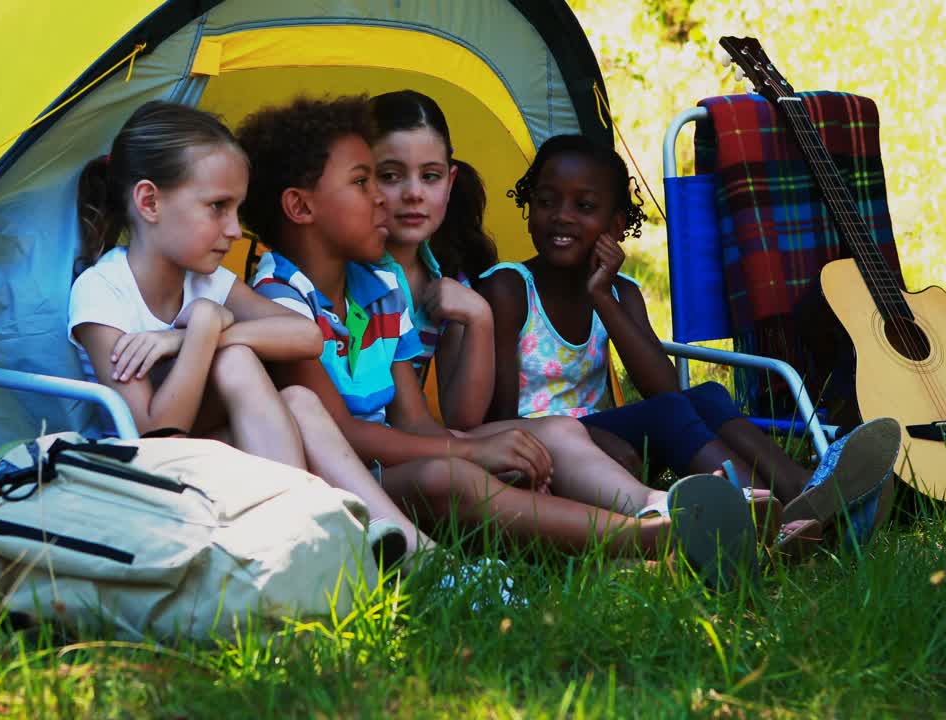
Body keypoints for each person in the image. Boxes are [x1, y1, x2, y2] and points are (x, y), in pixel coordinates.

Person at [237, 95, 760, 586]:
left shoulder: (378, 288)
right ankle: (649, 540)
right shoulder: (282, 303)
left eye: (388, 178)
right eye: (364, 181)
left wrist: (472, 439)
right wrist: (472, 450)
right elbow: (345, 434)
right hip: (342, 481)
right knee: (453, 478)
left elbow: (414, 419)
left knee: (553, 433)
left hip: (394, 458)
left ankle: (660, 505)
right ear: (301, 208)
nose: (384, 197)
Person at [477, 133, 901, 542]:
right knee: (667, 415)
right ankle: (762, 516)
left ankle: (801, 491)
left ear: (616, 225)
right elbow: (497, 415)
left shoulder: (620, 291)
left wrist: (602, 298)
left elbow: (664, 387)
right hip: (542, 444)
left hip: (599, 434)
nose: (561, 216)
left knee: (707, 395)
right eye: (546, 202)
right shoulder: (510, 289)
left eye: (584, 205)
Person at [67, 100, 429, 565]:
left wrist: (192, 336)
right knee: (238, 361)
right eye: (218, 207)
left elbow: (307, 336)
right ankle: (309, 535)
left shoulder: (207, 281)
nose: (236, 230)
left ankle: (415, 551)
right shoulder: (103, 291)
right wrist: (202, 325)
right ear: (149, 202)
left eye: (236, 208)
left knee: (296, 397)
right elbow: (156, 434)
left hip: (220, 461)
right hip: (148, 482)